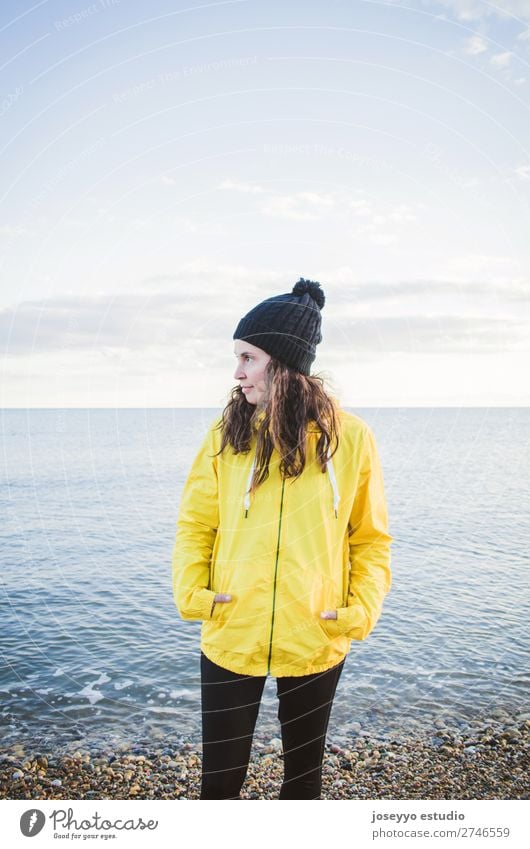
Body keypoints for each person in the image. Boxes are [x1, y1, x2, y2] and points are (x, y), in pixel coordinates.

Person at [172, 278, 392, 800]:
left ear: (282, 361)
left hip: (317, 635)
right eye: (237, 358)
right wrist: (193, 594)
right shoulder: (226, 435)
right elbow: (195, 525)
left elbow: (371, 538)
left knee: (302, 782)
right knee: (219, 785)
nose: (237, 371)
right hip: (231, 630)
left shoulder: (351, 438)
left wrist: (361, 610)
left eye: (248, 357)